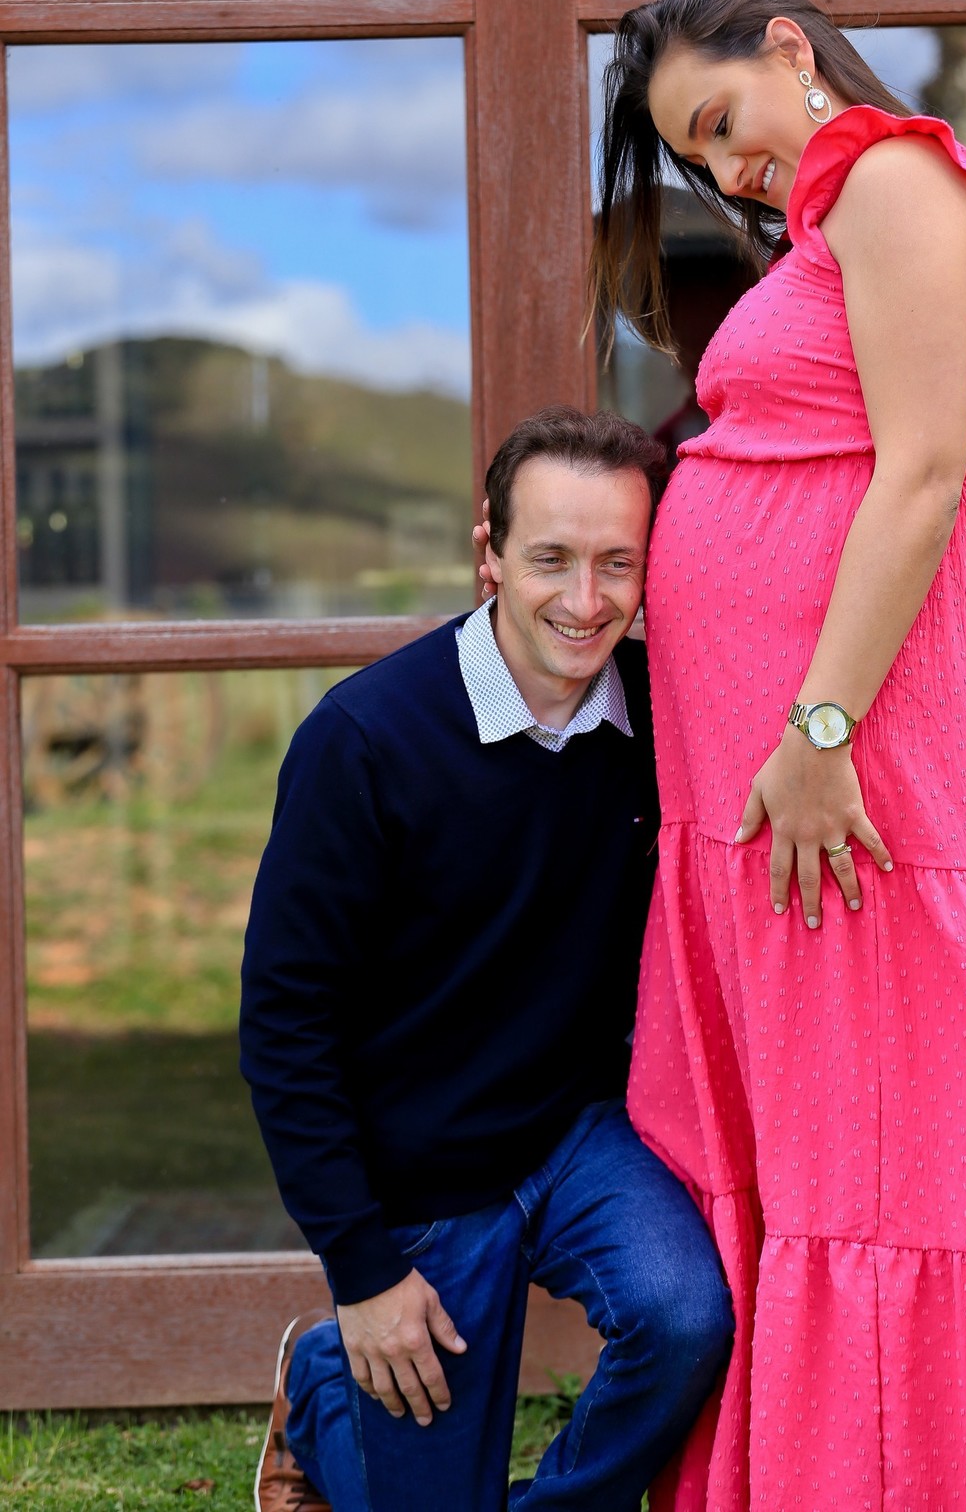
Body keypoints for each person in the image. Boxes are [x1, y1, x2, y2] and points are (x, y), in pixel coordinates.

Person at [587, 0, 966, 1510]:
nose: (726, 169)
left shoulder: (897, 183)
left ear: (789, 47)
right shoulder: (836, 219)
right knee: (834, 1138)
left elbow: (916, 481)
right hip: (767, 769)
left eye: (721, 122)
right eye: (695, 158)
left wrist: (820, 726)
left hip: (844, 750)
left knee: (910, 1136)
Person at [240, 406, 734, 1512]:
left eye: (618, 563)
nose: (586, 600)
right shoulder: (364, 740)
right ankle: (322, 1386)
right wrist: (363, 1272)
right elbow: (283, 1026)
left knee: (687, 1317)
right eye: (551, 558)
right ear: (490, 554)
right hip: (419, 1172)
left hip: (575, 1134)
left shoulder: (665, 718)